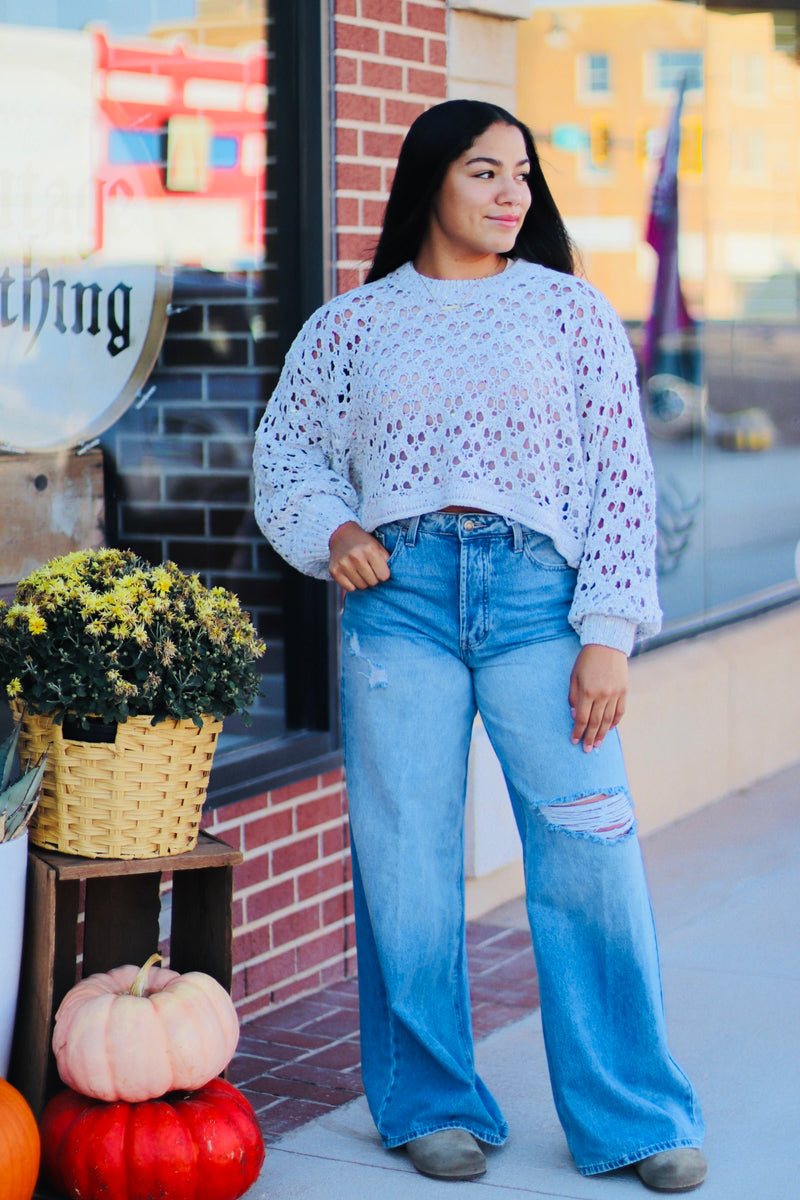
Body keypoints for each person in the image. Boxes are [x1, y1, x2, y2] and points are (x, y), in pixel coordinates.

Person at [253, 99, 706, 1193]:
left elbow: (617, 481)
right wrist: (337, 531)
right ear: (427, 184)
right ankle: (429, 1102)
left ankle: (634, 1114)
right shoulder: (351, 327)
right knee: (405, 864)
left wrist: (605, 633)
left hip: (540, 606)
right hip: (397, 609)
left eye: (521, 176)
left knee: (590, 849)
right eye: (482, 172)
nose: (510, 195)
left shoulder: (568, 312)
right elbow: (285, 459)